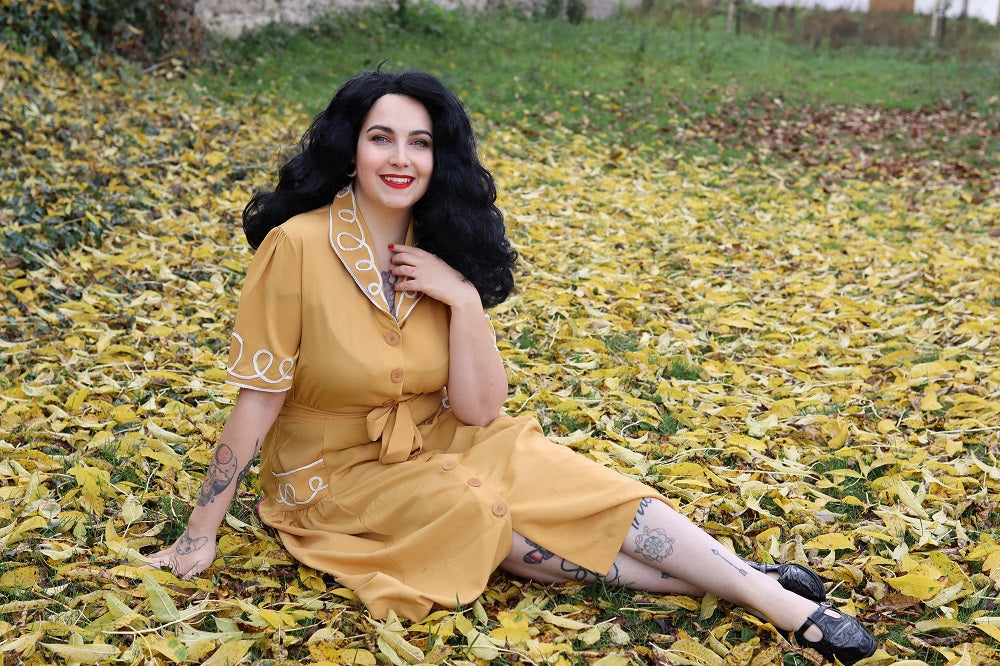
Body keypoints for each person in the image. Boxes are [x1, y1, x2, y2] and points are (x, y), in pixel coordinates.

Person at [147, 69, 877, 664]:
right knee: (476, 510)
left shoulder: (441, 242)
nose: (401, 159)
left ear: (439, 159)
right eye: (381, 139)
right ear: (350, 151)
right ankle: (744, 586)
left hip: (439, 433)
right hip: (330, 477)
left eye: (420, 143)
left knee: (565, 478)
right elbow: (258, 400)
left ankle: (767, 595)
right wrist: (201, 530)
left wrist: (462, 299)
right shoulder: (296, 247)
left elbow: (478, 411)